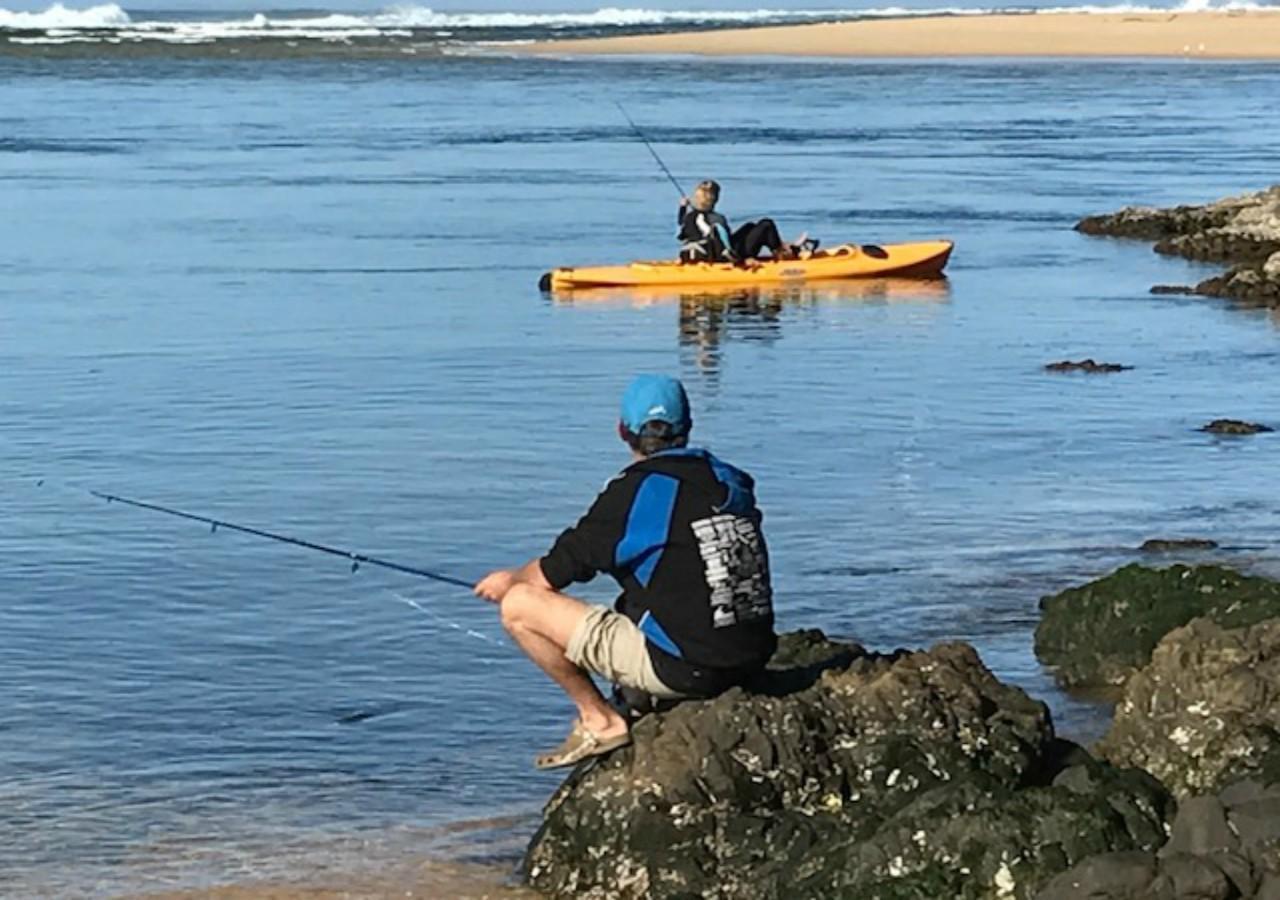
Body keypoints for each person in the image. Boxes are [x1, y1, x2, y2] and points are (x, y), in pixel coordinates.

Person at [474, 374, 776, 769]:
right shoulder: (728, 481)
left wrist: (509, 581)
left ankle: (599, 720)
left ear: (623, 432)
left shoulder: (636, 491)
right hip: (752, 655)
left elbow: (556, 571)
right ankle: (639, 694)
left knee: (518, 606)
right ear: (687, 428)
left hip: (692, 669)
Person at [677, 179, 796, 263]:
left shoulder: (689, 217)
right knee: (766, 224)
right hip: (725, 257)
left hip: (702, 254)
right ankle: (782, 252)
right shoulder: (717, 219)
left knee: (750, 226)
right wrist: (739, 260)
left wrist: (683, 208)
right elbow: (724, 241)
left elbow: (681, 232)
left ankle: (781, 246)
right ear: (715, 199)